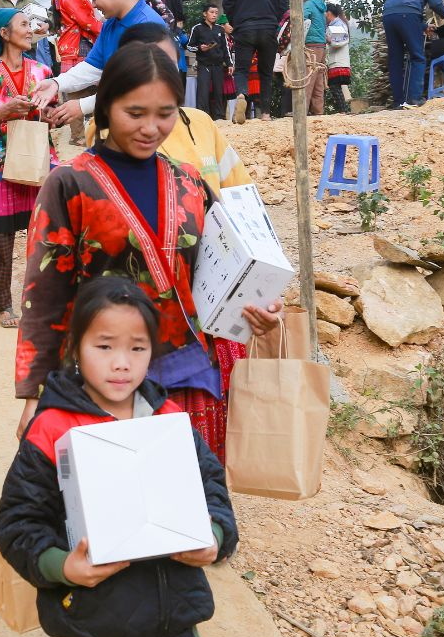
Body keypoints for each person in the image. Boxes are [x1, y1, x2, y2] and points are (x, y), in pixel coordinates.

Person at [16, 42, 281, 455]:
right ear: (106, 107)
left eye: (165, 113)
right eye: (135, 113)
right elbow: (45, 294)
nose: (151, 128)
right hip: (104, 383)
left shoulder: (190, 182)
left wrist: (257, 309)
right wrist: (36, 393)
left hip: (192, 379)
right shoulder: (69, 184)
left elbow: (227, 269)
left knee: (194, 489)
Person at [0, 275, 238, 637]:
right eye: (104, 346)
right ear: (75, 347)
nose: (122, 362)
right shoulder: (53, 429)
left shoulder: (169, 420)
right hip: (98, 633)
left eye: (137, 348)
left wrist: (213, 537)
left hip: (177, 626)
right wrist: (63, 567)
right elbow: (18, 523)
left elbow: (213, 490)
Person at [0, 9, 58, 329]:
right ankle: (4, 305)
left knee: (43, 235)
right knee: (2, 239)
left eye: (31, 25)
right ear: (4, 34)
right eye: (23, 24)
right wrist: (2, 111)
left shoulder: (43, 72)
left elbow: (53, 114)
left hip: (37, 158)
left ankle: (41, 299)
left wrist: (50, 115)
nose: (30, 30)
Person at [97, 23, 252, 193]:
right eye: (145, 65)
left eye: (168, 65)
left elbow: (241, 187)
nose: (157, 74)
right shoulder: (109, 133)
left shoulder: (201, 122)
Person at [31, 0, 166, 128]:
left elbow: (138, 87)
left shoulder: (149, 27)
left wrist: (82, 105)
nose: (93, 5)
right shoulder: (110, 25)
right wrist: (56, 83)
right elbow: (93, 66)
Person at [222, 0, 289, 125]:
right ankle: (266, 113)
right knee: (266, 72)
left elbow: (228, 1)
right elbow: (283, 4)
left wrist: (235, 22)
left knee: (242, 69)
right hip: (268, 27)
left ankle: (241, 94)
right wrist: (273, 21)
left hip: (244, 27)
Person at [383, 0, 444, 108]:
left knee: (395, 60)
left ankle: (398, 102)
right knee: (417, 57)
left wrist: (423, 26)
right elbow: (435, 2)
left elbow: (402, 6)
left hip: (388, 16)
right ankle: (414, 99)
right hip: (407, 14)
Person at [53, 0, 103, 74]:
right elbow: (86, 21)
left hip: (73, 45)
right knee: (83, 83)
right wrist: (106, 29)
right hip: (79, 46)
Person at [186, 4, 229, 120]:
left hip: (218, 65)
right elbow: (189, 46)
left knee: (219, 92)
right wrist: (200, 48)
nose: (214, 15)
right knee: (203, 92)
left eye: (216, 13)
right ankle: (202, 117)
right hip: (203, 65)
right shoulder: (197, 28)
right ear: (205, 14)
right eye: (212, 12)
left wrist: (229, 64)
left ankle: (219, 117)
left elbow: (225, 48)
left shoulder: (220, 29)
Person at [302, 0, 328, 116]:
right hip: (321, 45)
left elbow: (301, 20)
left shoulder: (308, 5)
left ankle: (302, 109)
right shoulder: (321, 6)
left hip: (311, 44)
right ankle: (318, 110)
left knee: (308, 77)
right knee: (318, 79)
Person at [325, 3, 352, 113]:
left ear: (328, 13)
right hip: (337, 61)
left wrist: (329, 40)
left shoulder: (338, 25)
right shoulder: (337, 24)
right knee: (335, 87)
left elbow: (340, 42)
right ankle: (343, 110)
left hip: (338, 62)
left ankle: (343, 110)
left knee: (334, 86)